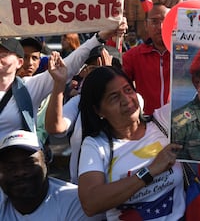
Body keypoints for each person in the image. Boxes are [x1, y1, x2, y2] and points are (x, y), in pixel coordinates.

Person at [77, 66, 184, 220]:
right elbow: (90, 203)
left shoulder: (163, 121)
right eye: (114, 97)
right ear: (98, 111)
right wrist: (151, 170)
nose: (126, 100)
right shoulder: (95, 145)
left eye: (128, 90)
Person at [0, 21, 127, 142]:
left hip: (15, 162)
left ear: (19, 62)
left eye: (3, 54)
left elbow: (70, 64)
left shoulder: (27, 88)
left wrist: (100, 37)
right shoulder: (76, 102)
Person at [45, 45, 142, 184]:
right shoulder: (78, 102)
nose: (98, 76)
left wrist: (108, 82)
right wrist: (59, 84)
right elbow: (55, 128)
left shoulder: (134, 101)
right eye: (93, 70)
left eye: (108, 69)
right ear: (84, 72)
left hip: (127, 188)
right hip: (82, 191)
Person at [0, 130, 98, 220]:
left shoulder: (75, 202)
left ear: (46, 162)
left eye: (29, 163)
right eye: (10, 167)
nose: (20, 172)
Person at [122, 0, 183, 115]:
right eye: (154, 21)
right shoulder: (133, 56)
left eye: (165, 20)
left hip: (181, 123)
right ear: (146, 25)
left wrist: (184, 8)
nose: (160, 27)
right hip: (148, 125)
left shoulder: (185, 53)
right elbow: (116, 83)